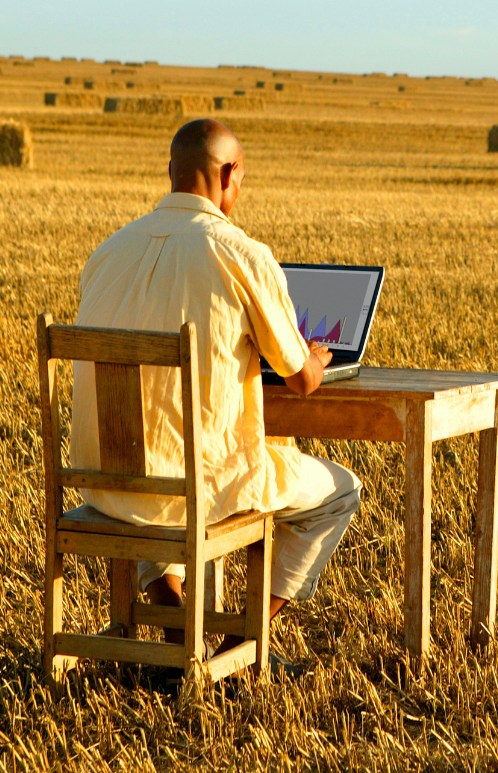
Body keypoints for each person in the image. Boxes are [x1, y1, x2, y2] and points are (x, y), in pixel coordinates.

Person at [69, 118, 362, 657]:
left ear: (173, 173)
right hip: (196, 489)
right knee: (339, 492)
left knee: (159, 472)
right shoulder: (242, 254)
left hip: (106, 482)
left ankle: (181, 629)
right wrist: (318, 356)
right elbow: (300, 380)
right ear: (229, 174)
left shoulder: (106, 254)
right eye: (241, 182)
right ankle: (240, 638)